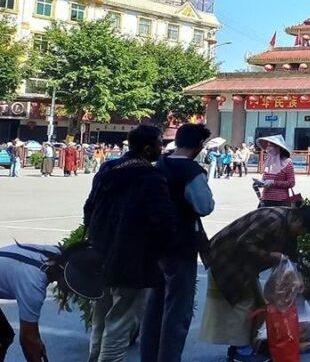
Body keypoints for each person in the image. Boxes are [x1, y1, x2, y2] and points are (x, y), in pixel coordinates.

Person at [83, 125, 176, 362]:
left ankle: (94, 357)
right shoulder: (151, 177)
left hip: (100, 253)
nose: (162, 148)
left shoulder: (108, 169)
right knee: (121, 320)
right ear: (147, 149)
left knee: (100, 315)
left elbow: (89, 208)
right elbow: (162, 220)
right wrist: (163, 253)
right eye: (159, 144)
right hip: (132, 258)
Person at [200, 205, 310, 362]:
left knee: (256, 303)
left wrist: (297, 276)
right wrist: (271, 256)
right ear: (299, 220)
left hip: (242, 264)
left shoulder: (288, 222)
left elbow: (291, 254)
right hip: (227, 258)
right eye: (303, 231)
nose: (301, 234)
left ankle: (242, 347)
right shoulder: (273, 220)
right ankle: (241, 351)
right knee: (244, 305)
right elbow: (244, 243)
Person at [141, 123, 214, 362]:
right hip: (181, 245)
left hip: (154, 244)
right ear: (199, 146)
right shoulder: (191, 171)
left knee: (154, 307)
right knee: (177, 310)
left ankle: (149, 357)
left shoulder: (158, 165)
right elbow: (204, 206)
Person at [0, 242, 103, 362]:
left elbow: (32, 337)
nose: (72, 292)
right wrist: (34, 344)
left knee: (4, 335)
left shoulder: (55, 254)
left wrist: (36, 341)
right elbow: (28, 340)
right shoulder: (34, 284)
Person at [257, 135, 296, 207]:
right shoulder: (268, 162)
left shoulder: (287, 163)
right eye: (267, 146)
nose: (268, 148)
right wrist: (261, 183)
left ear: (278, 148)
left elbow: (291, 183)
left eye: (270, 146)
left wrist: (273, 182)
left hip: (281, 201)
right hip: (265, 200)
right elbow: (264, 178)